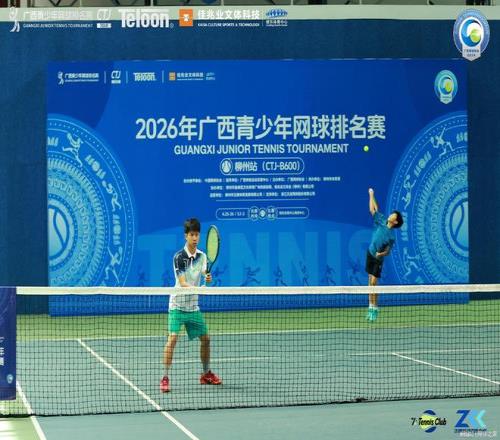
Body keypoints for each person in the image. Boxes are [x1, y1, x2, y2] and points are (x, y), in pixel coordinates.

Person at [160, 218, 222, 393]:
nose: (195, 238)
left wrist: (207, 279)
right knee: (172, 339)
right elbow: (182, 282)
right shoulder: (179, 257)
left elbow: (205, 276)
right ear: (186, 236)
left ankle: (206, 374)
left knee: (206, 339)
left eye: (197, 235)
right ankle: (165, 378)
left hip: (193, 307)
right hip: (177, 306)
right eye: (192, 235)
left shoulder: (202, 257)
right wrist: (198, 288)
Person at [366, 188, 403, 322]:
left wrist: (380, 253)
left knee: (374, 282)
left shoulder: (391, 237)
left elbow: (387, 252)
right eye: (392, 213)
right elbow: (373, 210)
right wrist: (371, 195)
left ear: (395, 222)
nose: (391, 214)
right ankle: (371, 307)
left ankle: (375, 308)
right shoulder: (381, 220)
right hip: (370, 253)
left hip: (378, 259)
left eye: (394, 215)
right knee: (369, 283)